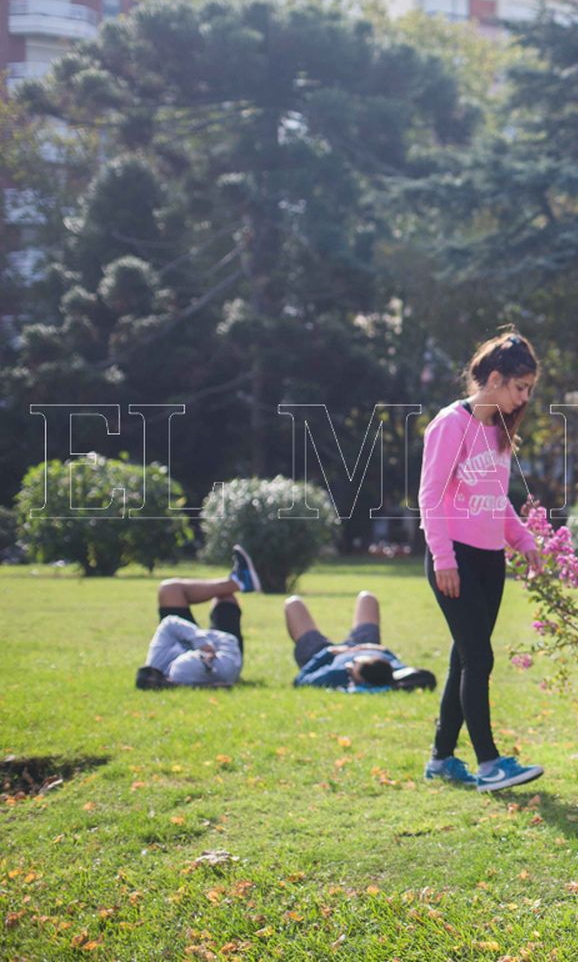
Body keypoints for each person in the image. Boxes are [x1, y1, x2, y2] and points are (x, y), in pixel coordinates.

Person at [418, 329, 545, 793]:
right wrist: (443, 557)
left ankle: (441, 758)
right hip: (456, 560)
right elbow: (429, 495)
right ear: (494, 378)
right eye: (520, 387)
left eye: (529, 388)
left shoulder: (498, 432)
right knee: (479, 656)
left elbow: (498, 500)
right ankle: (489, 764)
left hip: (490, 561)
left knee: (464, 657)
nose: (524, 397)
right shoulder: (451, 424)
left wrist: (523, 540)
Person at [135, 545, 260, 689]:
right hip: (225, 649)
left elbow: (169, 624)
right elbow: (229, 647)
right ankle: (238, 582)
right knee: (226, 599)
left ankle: (238, 582)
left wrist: (201, 642)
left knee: (169, 589)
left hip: (204, 643)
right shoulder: (184, 671)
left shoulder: (157, 661)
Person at [285, 591, 432, 690]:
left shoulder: (336, 673)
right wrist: (376, 649)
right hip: (365, 645)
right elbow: (425, 677)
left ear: (355, 678)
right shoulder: (390, 670)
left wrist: (329, 652)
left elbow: (300, 680)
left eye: (352, 666)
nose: (352, 662)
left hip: (325, 654)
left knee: (293, 604)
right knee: (367, 597)